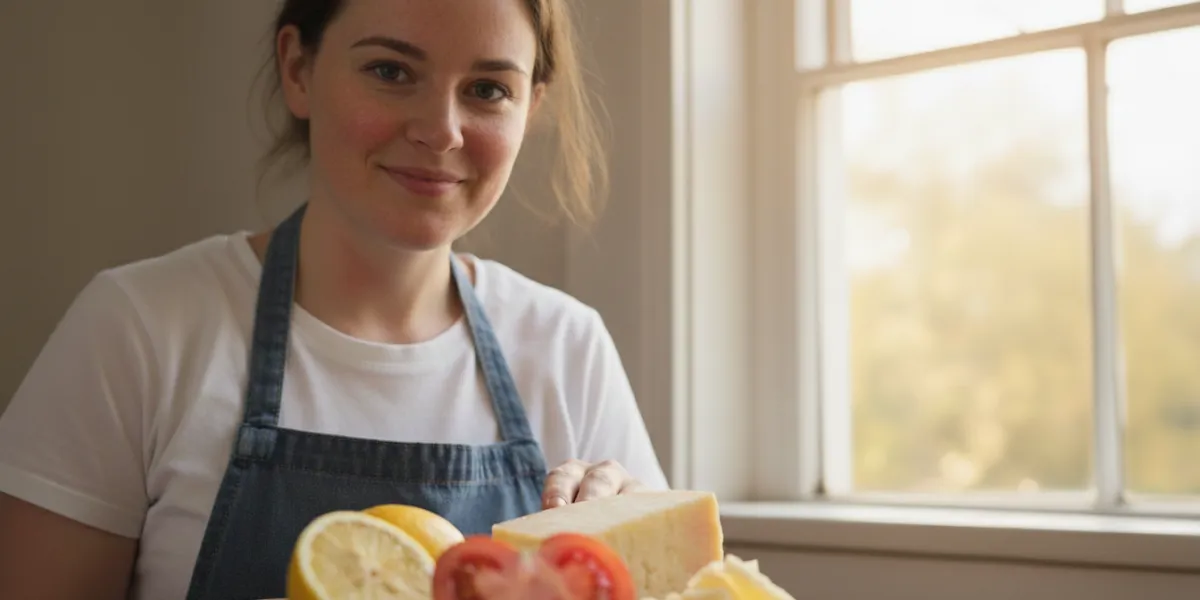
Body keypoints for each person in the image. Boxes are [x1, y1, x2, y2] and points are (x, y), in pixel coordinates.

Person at [0, 0, 668, 598]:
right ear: (298, 69)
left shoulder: (566, 344)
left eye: (489, 89)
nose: (442, 130)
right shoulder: (139, 326)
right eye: (391, 71)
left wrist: (638, 559)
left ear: (532, 107)